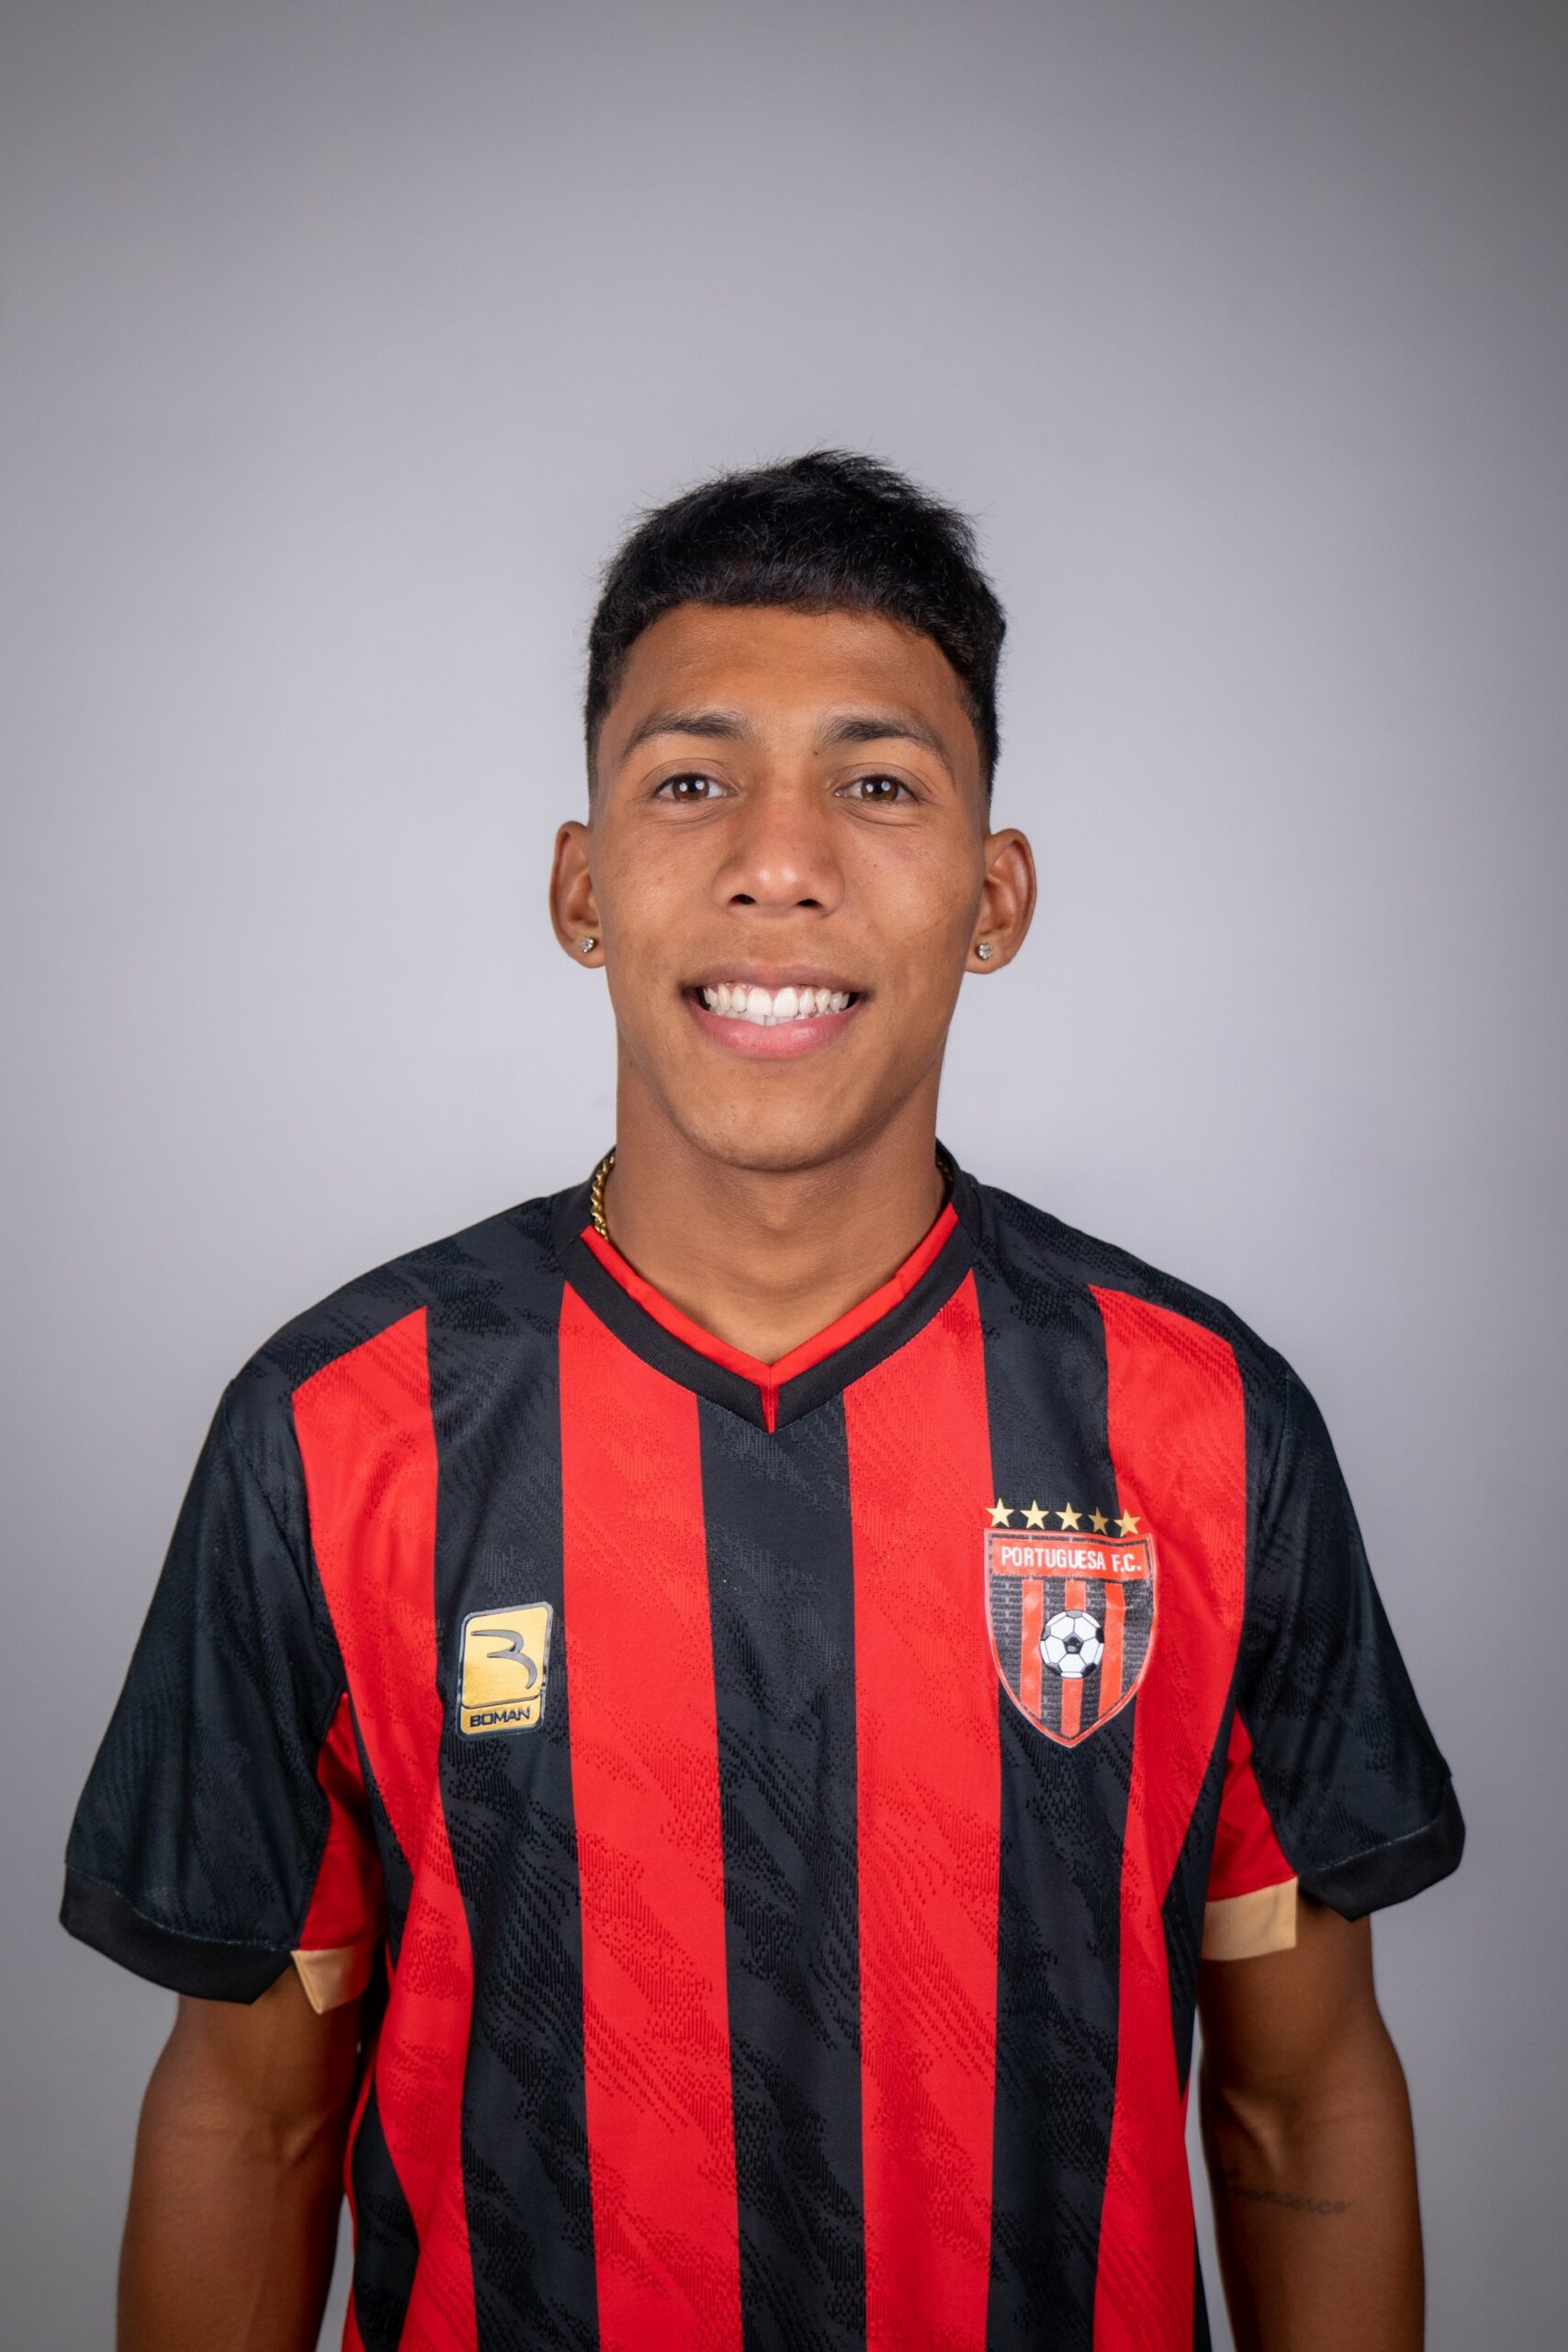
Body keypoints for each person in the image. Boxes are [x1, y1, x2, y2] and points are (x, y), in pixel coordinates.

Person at [63, 452, 1462, 2352]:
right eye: (691, 781)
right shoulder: (338, 1434)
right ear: (580, 886)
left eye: (876, 785)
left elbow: (1301, 2101)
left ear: (994, 894)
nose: (778, 860)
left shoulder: (1204, 1428)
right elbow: (250, 2118)